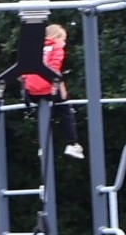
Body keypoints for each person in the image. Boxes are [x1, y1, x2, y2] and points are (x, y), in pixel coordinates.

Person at [21, 23, 85, 159]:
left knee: (43, 114)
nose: (64, 43)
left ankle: (42, 146)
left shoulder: (34, 48)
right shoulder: (56, 48)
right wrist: (61, 90)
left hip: (32, 91)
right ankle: (72, 144)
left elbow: (24, 71)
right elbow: (54, 69)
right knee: (66, 111)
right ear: (56, 37)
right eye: (63, 39)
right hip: (49, 89)